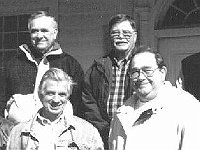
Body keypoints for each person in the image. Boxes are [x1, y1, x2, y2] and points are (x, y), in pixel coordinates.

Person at [109, 46, 200, 150]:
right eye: (135, 72)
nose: (141, 77)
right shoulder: (121, 115)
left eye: (147, 70)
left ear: (162, 72)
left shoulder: (187, 108)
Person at [0, 11, 84, 121]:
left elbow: (78, 103)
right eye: (34, 31)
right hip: (17, 132)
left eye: (44, 30)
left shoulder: (70, 64)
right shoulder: (13, 63)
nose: (39, 36)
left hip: (57, 133)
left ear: (55, 33)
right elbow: (2, 98)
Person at [7, 68, 104, 150]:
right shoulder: (19, 133)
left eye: (62, 94)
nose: (56, 100)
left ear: (68, 97)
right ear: (40, 95)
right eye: (50, 93)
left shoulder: (87, 131)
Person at [82, 14, 137, 149]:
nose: (121, 37)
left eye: (126, 33)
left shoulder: (143, 65)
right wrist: (105, 129)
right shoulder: (98, 67)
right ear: (109, 37)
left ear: (135, 36)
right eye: (115, 33)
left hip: (135, 132)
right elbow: (88, 101)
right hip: (104, 134)